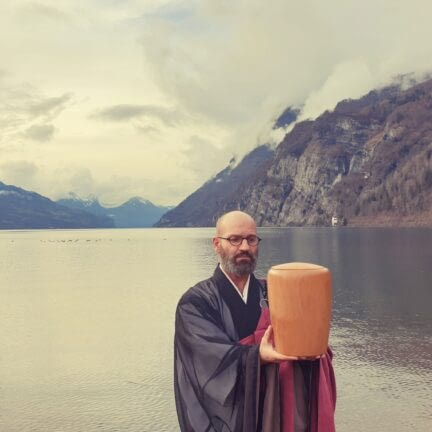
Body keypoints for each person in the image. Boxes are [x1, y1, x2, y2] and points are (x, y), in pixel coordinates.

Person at [174, 211, 336, 432]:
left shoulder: (274, 291)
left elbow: (303, 336)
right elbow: (205, 360)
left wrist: (313, 347)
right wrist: (257, 356)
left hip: (277, 413)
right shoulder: (195, 302)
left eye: (251, 239)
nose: (244, 247)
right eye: (234, 239)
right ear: (216, 244)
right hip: (235, 419)